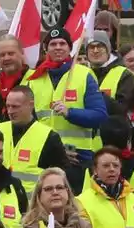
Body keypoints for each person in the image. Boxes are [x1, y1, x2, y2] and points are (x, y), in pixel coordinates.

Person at [24, 28, 108, 175]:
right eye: (53, 44)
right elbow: (29, 123)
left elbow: (100, 115)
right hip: (45, 154)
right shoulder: (34, 79)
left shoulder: (84, 75)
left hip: (78, 156)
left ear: (70, 48)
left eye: (62, 43)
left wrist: (70, 112)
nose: (58, 47)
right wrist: (56, 151)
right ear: (45, 49)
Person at [0, 86, 67, 197]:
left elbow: (60, 177)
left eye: (15, 107)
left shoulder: (49, 136)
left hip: (33, 206)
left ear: (31, 105)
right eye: (8, 106)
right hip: (2, 201)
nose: (10, 111)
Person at [21, 168, 96, 228]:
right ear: (39, 196)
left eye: (59, 187)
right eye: (48, 189)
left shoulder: (84, 227)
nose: (55, 192)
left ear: (67, 192)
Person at [88, 31, 134, 117]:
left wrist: (97, 95)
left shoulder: (125, 75)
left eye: (100, 46)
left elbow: (123, 108)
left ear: (108, 49)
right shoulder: (83, 74)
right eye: (91, 47)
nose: (95, 51)